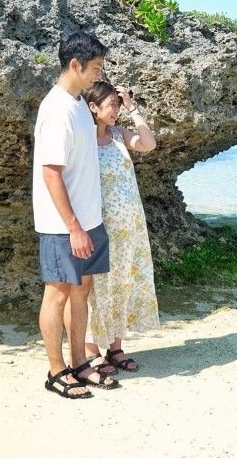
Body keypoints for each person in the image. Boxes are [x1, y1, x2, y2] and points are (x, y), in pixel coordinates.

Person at [32, 31, 119, 398]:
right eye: (95, 68)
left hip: (88, 221)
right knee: (58, 293)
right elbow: (51, 172)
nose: (99, 75)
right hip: (63, 226)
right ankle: (57, 371)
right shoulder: (56, 110)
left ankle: (80, 363)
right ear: (74, 65)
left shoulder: (80, 105)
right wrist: (74, 228)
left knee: (82, 291)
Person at [71, 79, 160, 375]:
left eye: (118, 105)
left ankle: (116, 347)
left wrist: (133, 109)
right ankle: (91, 349)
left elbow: (149, 144)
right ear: (93, 107)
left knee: (122, 284)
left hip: (130, 226)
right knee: (97, 287)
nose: (116, 111)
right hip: (100, 226)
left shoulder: (120, 134)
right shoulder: (83, 140)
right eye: (112, 105)